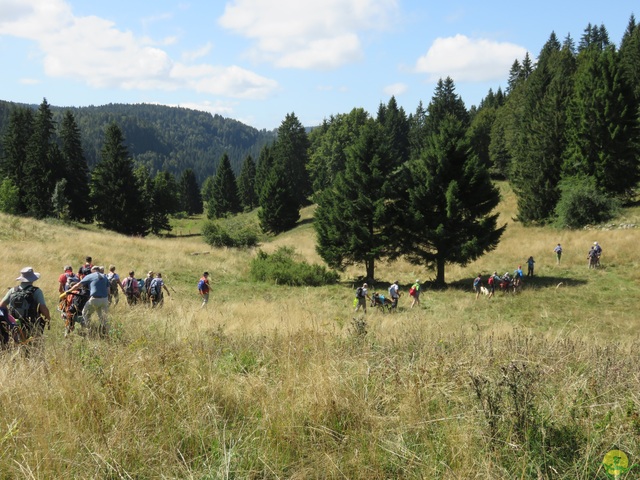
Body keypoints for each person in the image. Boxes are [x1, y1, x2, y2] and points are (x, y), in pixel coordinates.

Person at [0, 267, 51, 346]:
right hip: (31, 324)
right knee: (34, 346)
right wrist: (48, 317)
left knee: (15, 344)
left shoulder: (12, 290)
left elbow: (2, 305)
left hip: (15, 325)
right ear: (33, 279)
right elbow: (43, 308)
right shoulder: (36, 291)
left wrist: (10, 319)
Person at [67, 265, 110, 336]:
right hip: (105, 299)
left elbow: (78, 285)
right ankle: (106, 332)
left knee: (85, 313)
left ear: (92, 271)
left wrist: (69, 291)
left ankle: (89, 329)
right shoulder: (105, 276)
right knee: (103, 317)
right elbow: (108, 290)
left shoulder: (90, 276)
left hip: (95, 299)